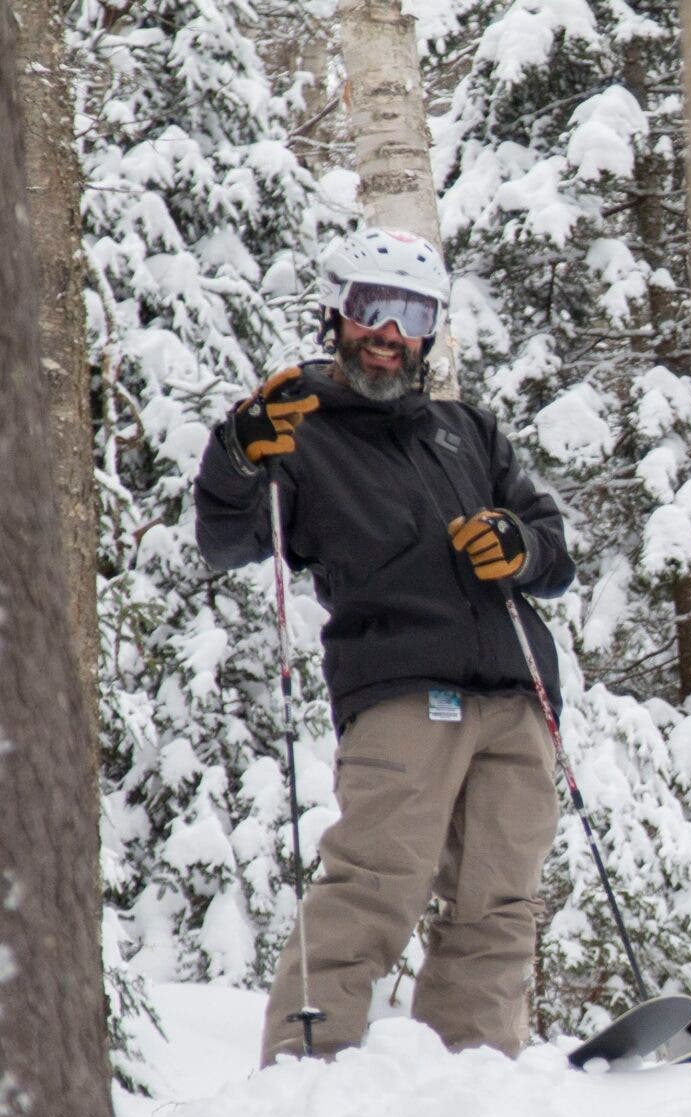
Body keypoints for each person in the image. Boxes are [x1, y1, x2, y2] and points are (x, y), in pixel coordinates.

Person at [194, 227, 577, 1065]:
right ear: (337, 313)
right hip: (403, 691)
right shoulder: (300, 430)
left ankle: (472, 1073)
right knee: (376, 883)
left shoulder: (464, 430)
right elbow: (229, 539)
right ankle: (308, 1062)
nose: (388, 333)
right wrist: (234, 454)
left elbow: (553, 549)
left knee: (499, 900)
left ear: (432, 328)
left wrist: (520, 544)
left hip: (515, 698)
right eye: (372, 309)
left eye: (410, 314)